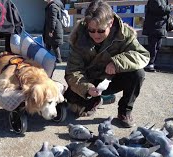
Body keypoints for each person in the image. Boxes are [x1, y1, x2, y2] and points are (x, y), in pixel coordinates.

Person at [64, 0, 150, 128]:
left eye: (100, 30)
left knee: (138, 74)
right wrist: (86, 88)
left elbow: (143, 55)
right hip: (90, 81)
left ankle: (124, 111)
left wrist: (117, 63)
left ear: (110, 23)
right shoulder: (79, 38)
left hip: (112, 80)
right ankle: (98, 99)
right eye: (91, 30)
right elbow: (72, 72)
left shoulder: (124, 34)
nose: (95, 35)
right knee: (71, 104)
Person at [142, 0, 173, 72]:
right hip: (154, 26)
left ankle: (152, 63)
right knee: (153, 47)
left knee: (157, 46)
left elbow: (163, 9)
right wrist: (170, 7)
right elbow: (159, 9)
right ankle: (149, 64)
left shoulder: (164, 1)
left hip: (160, 26)